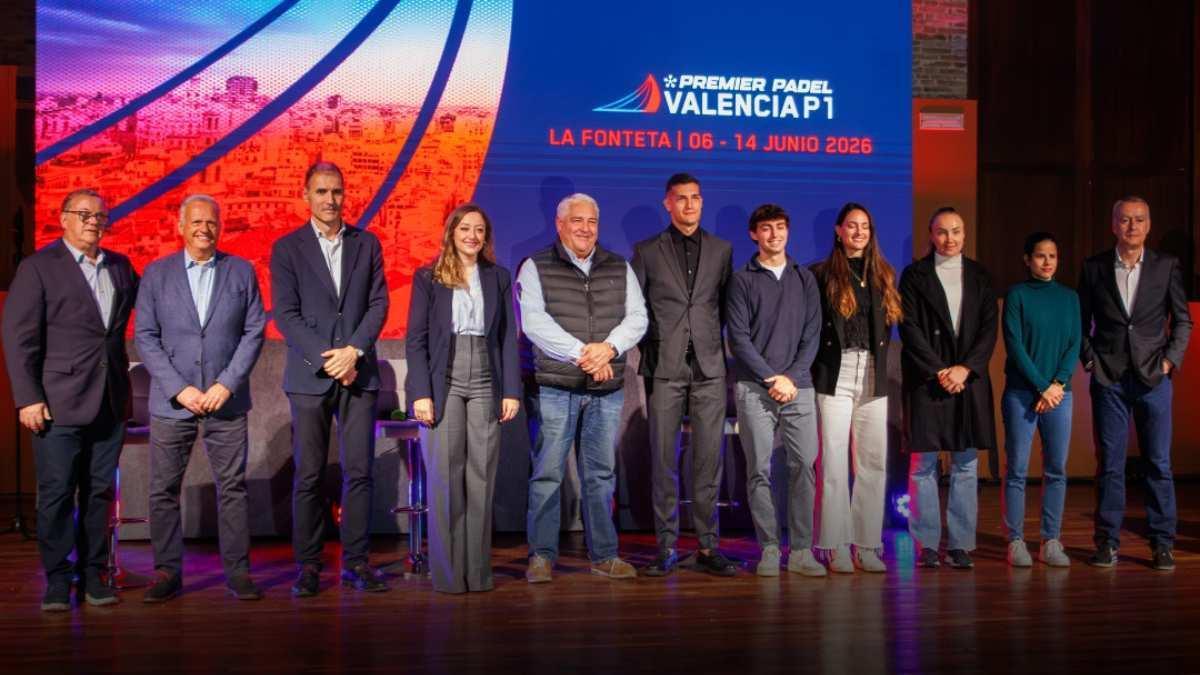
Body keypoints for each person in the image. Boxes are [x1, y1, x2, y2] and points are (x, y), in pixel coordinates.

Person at [2, 189, 139, 610]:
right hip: (56, 403)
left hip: (109, 401)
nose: (93, 221)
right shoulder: (39, 268)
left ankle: (95, 574)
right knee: (58, 493)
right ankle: (58, 579)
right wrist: (27, 398)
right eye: (83, 214)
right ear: (63, 219)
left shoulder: (121, 266)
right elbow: (19, 338)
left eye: (100, 215)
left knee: (99, 493)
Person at [134, 194, 267, 601]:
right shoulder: (156, 275)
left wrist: (226, 383)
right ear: (180, 226)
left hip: (225, 400)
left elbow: (254, 330)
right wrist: (180, 388)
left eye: (210, 222)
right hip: (174, 402)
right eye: (195, 222)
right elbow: (146, 337)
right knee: (162, 489)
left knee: (232, 488)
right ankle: (166, 572)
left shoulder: (241, 272)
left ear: (219, 226)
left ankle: (238, 573)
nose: (203, 229)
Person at [270, 162, 390, 595]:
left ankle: (356, 563)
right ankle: (308, 565)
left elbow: (378, 305)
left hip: (358, 373)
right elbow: (286, 313)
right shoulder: (287, 248)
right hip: (310, 376)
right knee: (309, 474)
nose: (330, 199)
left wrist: (353, 352)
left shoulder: (367, 243)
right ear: (306, 195)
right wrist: (330, 359)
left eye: (336, 191)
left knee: (359, 472)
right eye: (321, 191)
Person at [519, 193, 647, 583]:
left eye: (592, 221)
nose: (585, 228)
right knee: (548, 475)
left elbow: (638, 317)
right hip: (555, 387)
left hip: (604, 390)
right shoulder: (535, 266)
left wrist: (608, 348)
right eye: (577, 220)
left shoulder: (618, 266)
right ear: (560, 224)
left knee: (601, 475)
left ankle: (605, 555)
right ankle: (541, 555)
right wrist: (583, 354)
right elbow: (533, 323)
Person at [404, 204, 521, 593]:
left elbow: (506, 337)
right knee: (445, 476)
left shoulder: (498, 277)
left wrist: (511, 391)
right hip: (445, 379)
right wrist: (421, 392)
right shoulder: (429, 277)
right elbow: (416, 339)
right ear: (451, 232)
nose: (472, 236)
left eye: (480, 230)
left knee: (481, 478)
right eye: (465, 228)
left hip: (487, 377)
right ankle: (449, 577)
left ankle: (478, 573)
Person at [1079, 196, 1192, 570]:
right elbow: (1080, 324)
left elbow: (1183, 321)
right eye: (1125, 220)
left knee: (1158, 463)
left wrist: (1169, 361)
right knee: (1109, 464)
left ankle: (1162, 543)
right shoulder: (1094, 267)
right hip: (1109, 378)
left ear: (1149, 225)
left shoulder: (1166, 266)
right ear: (1114, 225)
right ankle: (1107, 541)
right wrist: (1091, 360)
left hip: (1154, 378)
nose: (1132, 227)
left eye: (1139, 220)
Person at [631, 173, 736, 577]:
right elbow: (636, 311)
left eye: (695, 198)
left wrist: (709, 346)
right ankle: (666, 547)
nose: (689, 205)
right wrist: (656, 349)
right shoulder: (646, 251)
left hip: (709, 368)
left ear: (702, 202)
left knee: (709, 461)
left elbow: (724, 308)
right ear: (667, 204)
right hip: (664, 369)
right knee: (664, 461)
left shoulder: (721, 250)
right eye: (681, 199)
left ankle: (709, 548)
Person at [725, 204, 826, 577]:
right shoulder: (742, 280)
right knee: (759, 470)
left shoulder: (805, 279)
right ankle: (769, 547)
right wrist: (772, 378)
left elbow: (812, 335)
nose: (774, 235)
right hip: (756, 388)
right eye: (766, 229)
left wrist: (792, 377)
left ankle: (801, 550)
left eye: (780, 227)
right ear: (754, 234)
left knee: (803, 467)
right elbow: (738, 338)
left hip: (799, 388)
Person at [899, 207, 998, 570]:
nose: (950, 238)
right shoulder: (913, 276)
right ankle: (926, 543)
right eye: (942, 232)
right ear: (931, 235)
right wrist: (941, 370)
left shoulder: (980, 276)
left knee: (966, 464)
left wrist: (965, 368)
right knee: (923, 464)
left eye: (956, 231)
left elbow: (989, 329)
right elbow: (909, 329)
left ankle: (960, 544)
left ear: (965, 234)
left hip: (967, 381)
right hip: (929, 380)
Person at [810, 202, 903, 574]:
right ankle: (834, 546)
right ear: (838, 230)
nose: (859, 232)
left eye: (865, 225)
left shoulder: (883, 273)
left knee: (873, 462)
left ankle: (867, 544)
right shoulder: (821, 274)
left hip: (873, 373)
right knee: (832, 462)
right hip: (835, 373)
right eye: (852, 225)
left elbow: (888, 330)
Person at [1000, 231, 1079, 568]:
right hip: (1022, 392)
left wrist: (1057, 384)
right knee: (1017, 469)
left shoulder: (1070, 297)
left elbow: (1074, 343)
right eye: (1041, 256)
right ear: (1027, 259)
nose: (1047, 262)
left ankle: (1051, 539)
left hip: (1059, 395)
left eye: (1053, 256)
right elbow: (1015, 345)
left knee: (1056, 469)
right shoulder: (1016, 295)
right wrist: (1041, 386)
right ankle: (1015, 540)